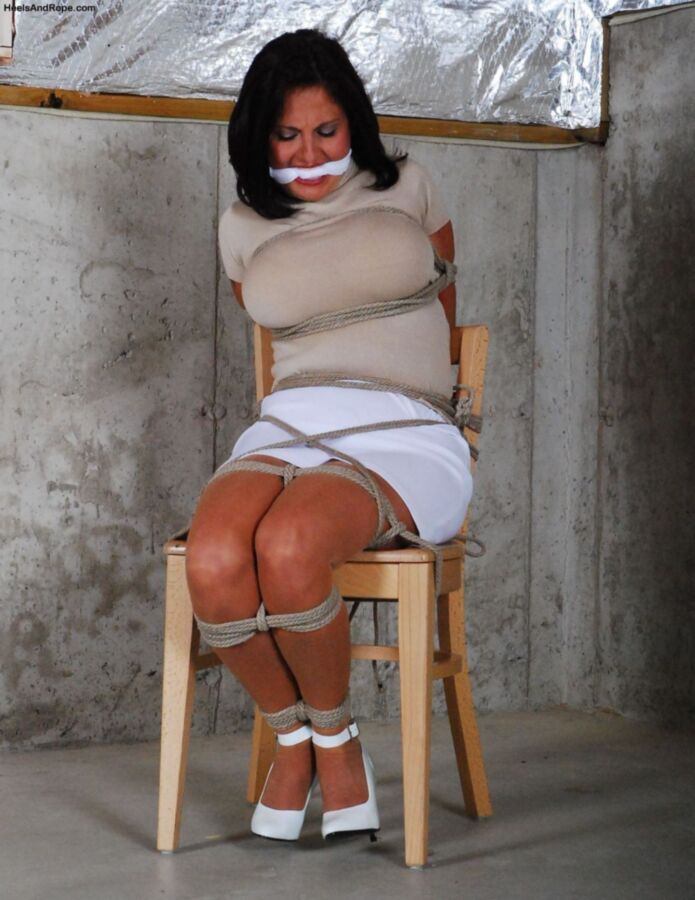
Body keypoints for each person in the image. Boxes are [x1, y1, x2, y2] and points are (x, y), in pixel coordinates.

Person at [185, 28, 473, 844]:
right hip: (291, 422)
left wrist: (429, 396)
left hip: (402, 425)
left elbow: (445, 313)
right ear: (258, 136)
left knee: (288, 546)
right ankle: (300, 741)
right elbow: (280, 326)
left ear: (354, 123)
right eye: (287, 134)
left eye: (326, 130)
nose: (308, 153)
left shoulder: (410, 186)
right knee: (213, 558)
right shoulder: (241, 225)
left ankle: (337, 748)